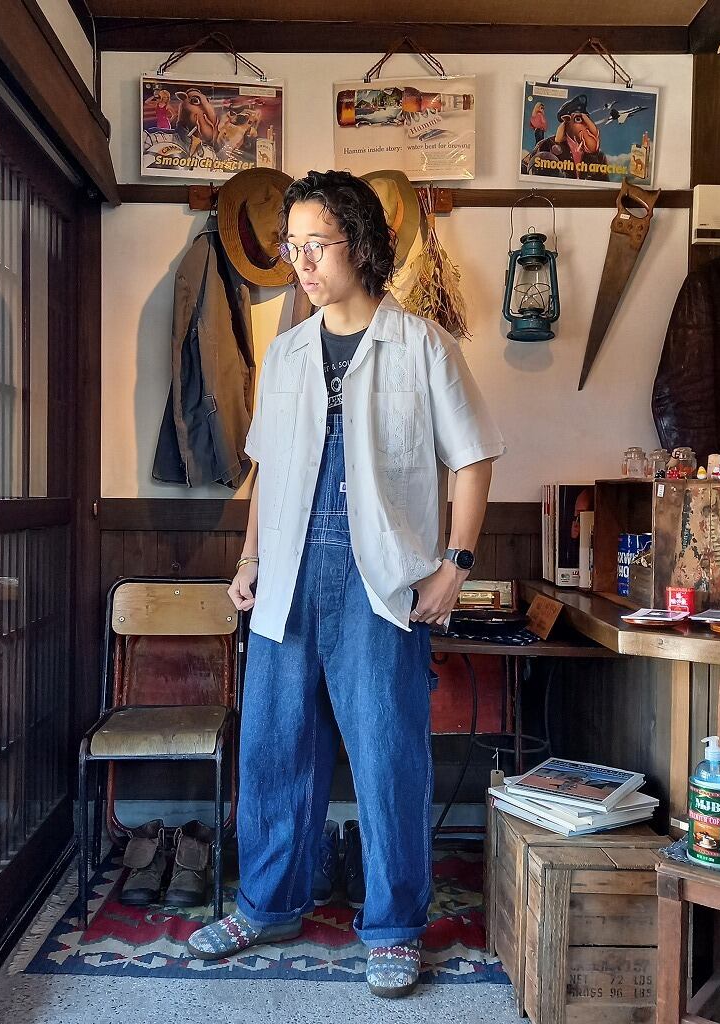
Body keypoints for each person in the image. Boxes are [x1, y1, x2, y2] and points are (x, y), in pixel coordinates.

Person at [186, 169, 505, 997]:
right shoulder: (287, 352)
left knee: (389, 753)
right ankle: (267, 904)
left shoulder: (422, 344)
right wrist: (249, 560)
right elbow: (267, 470)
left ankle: (395, 926)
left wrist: (456, 565)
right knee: (272, 745)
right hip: (288, 572)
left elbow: (473, 458)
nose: (301, 262)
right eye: (292, 246)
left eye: (316, 244)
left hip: (381, 578)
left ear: (359, 245)